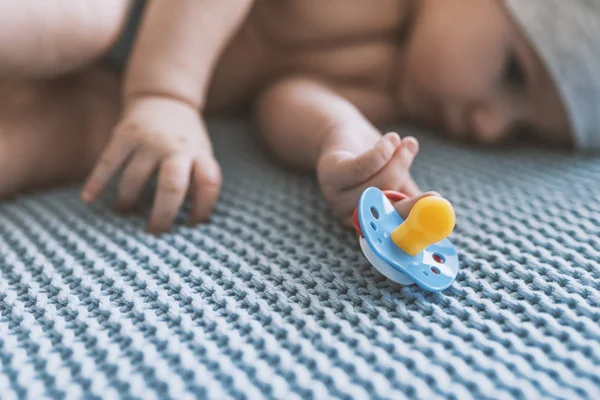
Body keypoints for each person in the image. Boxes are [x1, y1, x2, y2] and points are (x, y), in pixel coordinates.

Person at [0, 0, 597, 233]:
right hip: (133, 18)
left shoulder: (390, 94)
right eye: (513, 73)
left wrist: (339, 140)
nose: (490, 126)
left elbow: (280, 99)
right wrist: (168, 91)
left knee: (73, 140)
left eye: (522, 130)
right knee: (80, 23)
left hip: (128, 95)